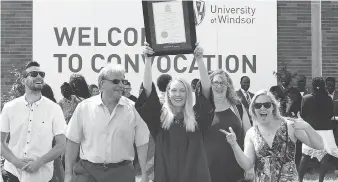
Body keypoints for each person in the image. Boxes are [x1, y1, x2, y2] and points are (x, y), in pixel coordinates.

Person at [136, 43, 214, 182]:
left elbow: (207, 90)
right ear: (167, 93)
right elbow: (147, 90)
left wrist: (200, 60)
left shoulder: (196, 118)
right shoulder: (160, 118)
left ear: (188, 93)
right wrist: (148, 61)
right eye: (174, 90)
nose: (178, 94)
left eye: (182, 90)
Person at [65, 64, 150, 182]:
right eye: (116, 81)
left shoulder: (134, 109)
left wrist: (144, 175)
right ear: (101, 84)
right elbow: (73, 141)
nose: (121, 85)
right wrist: (68, 175)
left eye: (123, 81)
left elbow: (142, 143)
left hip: (122, 173)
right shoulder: (84, 108)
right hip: (88, 173)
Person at [220, 89, 324, 182]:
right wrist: (234, 145)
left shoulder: (289, 126)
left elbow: (319, 145)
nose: (262, 108)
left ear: (273, 107)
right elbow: (247, 165)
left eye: (266, 104)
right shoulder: (252, 133)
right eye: (257, 105)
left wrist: (307, 127)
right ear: (253, 109)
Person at [0, 61, 67, 182]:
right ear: (23, 80)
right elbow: (1, 142)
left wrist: (39, 162)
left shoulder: (54, 109)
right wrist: (17, 162)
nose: (39, 77)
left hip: (42, 175)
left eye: (42, 74)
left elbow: (61, 144)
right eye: (34, 74)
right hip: (12, 173)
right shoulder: (9, 107)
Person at [203, 70, 251, 182]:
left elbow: (250, 137)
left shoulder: (237, 107)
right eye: (215, 83)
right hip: (208, 172)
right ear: (210, 85)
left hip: (236, 171)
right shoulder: (202, 109)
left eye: (222, 82)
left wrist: (250, 165)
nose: (219, 86)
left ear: (228, 85)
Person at [298, 77, 338, 182]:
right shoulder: (328, 98)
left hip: (311, 129)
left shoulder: (306, 98)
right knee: (325, 155)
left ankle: (299, 179)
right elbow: (330, 114)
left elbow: (303, 114)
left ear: (312, 85)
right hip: (326, 130)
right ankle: (320, 180)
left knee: (305, 155)